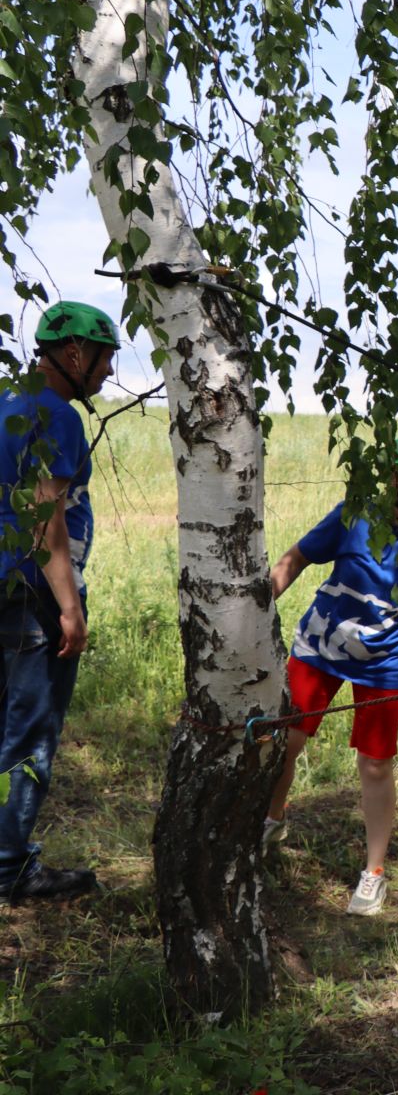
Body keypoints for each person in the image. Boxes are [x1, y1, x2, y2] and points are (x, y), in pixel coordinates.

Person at [264, 436, 398, 917]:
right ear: (393, 478)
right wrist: (258, 604)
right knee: (288, 739)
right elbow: (296, 557)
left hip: (384, 660)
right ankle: (271, 819)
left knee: (375, 764)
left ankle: (374, 873)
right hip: (320, 644)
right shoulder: (354, 516)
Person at [0, 302, 118, 904]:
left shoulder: (6, 401)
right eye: (103, 358)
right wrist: (70, 608)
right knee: (31, 733)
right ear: (73, 354)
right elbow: (48, 523)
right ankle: (9, 868)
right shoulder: (57, 416)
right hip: (32, 598)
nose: (108, 371)